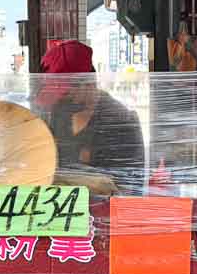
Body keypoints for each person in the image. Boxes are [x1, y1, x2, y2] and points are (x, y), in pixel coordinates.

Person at [34, 40, 146, 195]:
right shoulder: (56, 117)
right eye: (55, 96)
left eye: (65, 95)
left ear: (88, 82)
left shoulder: (120, 122)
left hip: (102, 216)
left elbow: (130, 189)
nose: (59, 102)